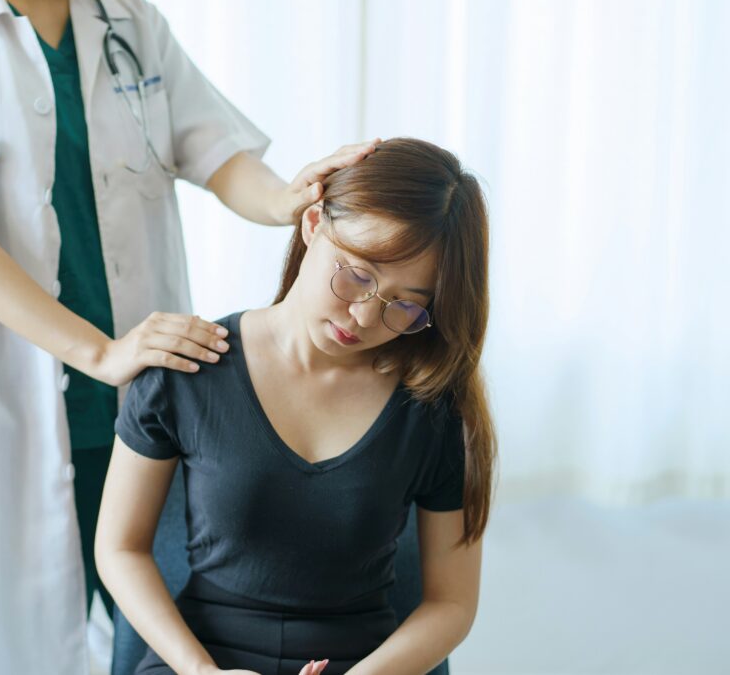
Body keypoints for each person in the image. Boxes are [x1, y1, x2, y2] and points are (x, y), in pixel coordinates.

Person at [0, 0, 377, 672]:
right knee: (4, 641)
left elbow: (215, 151)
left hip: (147, 397)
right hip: (7, 394)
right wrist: (101, 352)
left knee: (157, 626)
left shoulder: (128, 18)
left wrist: (286, 200)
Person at [96, 137, 498, 675]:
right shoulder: (188, 366)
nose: (361, 315)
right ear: (312, 225)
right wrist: (201, 673)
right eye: (355, 274)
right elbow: (119, 550)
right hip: (202, 659)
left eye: (403, 305)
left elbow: (452, 604)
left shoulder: (430, 407)